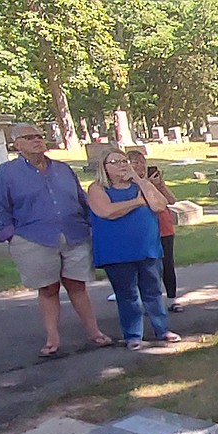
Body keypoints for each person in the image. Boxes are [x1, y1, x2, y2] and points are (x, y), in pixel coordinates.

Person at [0, 123, 113, 357]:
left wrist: (90, 224)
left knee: (77, 285)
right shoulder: (6, 173)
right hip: (33, 238)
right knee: (48, 288)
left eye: (39, 136)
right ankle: (52, 339)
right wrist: (10, 235)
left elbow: (80, 199)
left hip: (74, 233)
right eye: (30, 137)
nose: (37, 141)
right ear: (17, 144)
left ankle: (94, 332)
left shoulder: (63, 169)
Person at [87, 148, 180, 350]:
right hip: (117, 251)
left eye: (124, 161)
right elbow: (107, 212)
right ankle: (133, 335)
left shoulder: (140, 185)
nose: (122, 165)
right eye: (115, 162)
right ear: (104, 167)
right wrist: (137, 202)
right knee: (127, 294)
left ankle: (162, 330)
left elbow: (159, 205)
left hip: (147, 247)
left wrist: (141, 181)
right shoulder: (98, 189)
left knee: (153, 291)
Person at [126, 150, 183, 311]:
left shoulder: (153, 182)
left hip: (164, 228)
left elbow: (171, 200)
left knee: (167, 264)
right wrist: (144, 184)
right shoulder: (128, 184)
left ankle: (172, 299)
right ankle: (149, 302)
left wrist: (160, 185)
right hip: (143, 230)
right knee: (147, 267)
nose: (140, 166)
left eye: (142, 161)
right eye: (135, 162)